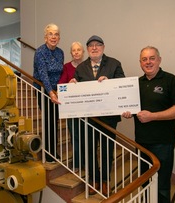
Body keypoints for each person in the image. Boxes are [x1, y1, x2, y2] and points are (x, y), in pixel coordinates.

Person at [122, 46, 175, 203]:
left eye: (151, 58)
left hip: (163, 143)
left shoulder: (171, 80)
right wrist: (127, 112)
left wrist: (153, 116)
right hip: (142, 144)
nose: (148, 62)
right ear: (140, 63)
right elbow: (127, 105)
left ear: (159, 60)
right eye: (144, 59)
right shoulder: (136, 83)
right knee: (145, 183)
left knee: (162, 185)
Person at [70, 35, 125, 196]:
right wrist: (73, 85)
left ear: (103, 47)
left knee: (107, 150)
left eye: (98, 45)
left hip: (108, 118)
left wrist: (110, 82)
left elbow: (122, 84)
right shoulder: (81, 67)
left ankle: (105, 180)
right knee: (90, 150)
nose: (94, 48)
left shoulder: (114, 64)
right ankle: (94, 179)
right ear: (87, 49)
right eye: (91, 45)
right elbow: (77, 90)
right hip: (88, 118)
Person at [33, 23, 63, 163]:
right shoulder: (40, 52)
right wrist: (50, 92)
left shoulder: (60, 52)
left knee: (55, 120)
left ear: (59, 37)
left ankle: (53, 150)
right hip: (43, 89)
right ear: (45, 37)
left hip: (56, 91)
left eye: (56, 34)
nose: (53, 37)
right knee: (48, 119)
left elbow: (62, 73)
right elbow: (43, 74)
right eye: (50, 34)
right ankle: (48, 152)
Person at [58, 42, 85, 172]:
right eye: (73, 50)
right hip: (72, 109)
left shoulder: (88, 66)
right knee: (75, 136)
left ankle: (87, 163)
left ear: (83, 52)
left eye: (78, 50)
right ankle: (76, 163)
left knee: (87, 136)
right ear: (71, 53)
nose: (76, 52)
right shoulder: (67, 67)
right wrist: (69, 83)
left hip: (87, 108)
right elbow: (60, 84)